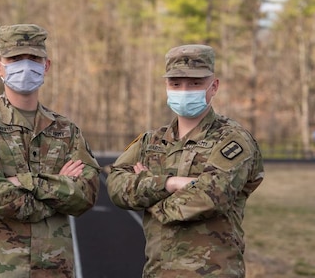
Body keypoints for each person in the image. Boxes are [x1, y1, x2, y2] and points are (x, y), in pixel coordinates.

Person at [0, 24, 100, 278]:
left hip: (55, 269)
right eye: (15, 58)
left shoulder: (66, 130)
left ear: (46, 66)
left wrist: (21, 182)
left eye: (33, 58)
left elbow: (86, 195)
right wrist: (59, 187)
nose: (25, 65)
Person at [106, 44, 264, 277]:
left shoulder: (233, 140)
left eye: (195, 83)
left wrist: (148, 196)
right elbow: (115, 185)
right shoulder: (152, 140)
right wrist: (169, 184)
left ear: (214, 86)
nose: (184, 90)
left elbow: (210, 196)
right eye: (176, 83)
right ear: (166, 87)